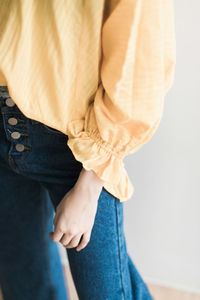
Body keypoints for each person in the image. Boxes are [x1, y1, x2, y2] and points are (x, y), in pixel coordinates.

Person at [0, 1, 176, 299]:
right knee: (24, 283)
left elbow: (140, 62)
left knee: (106, 293)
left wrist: (91, 181)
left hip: (76, 144)